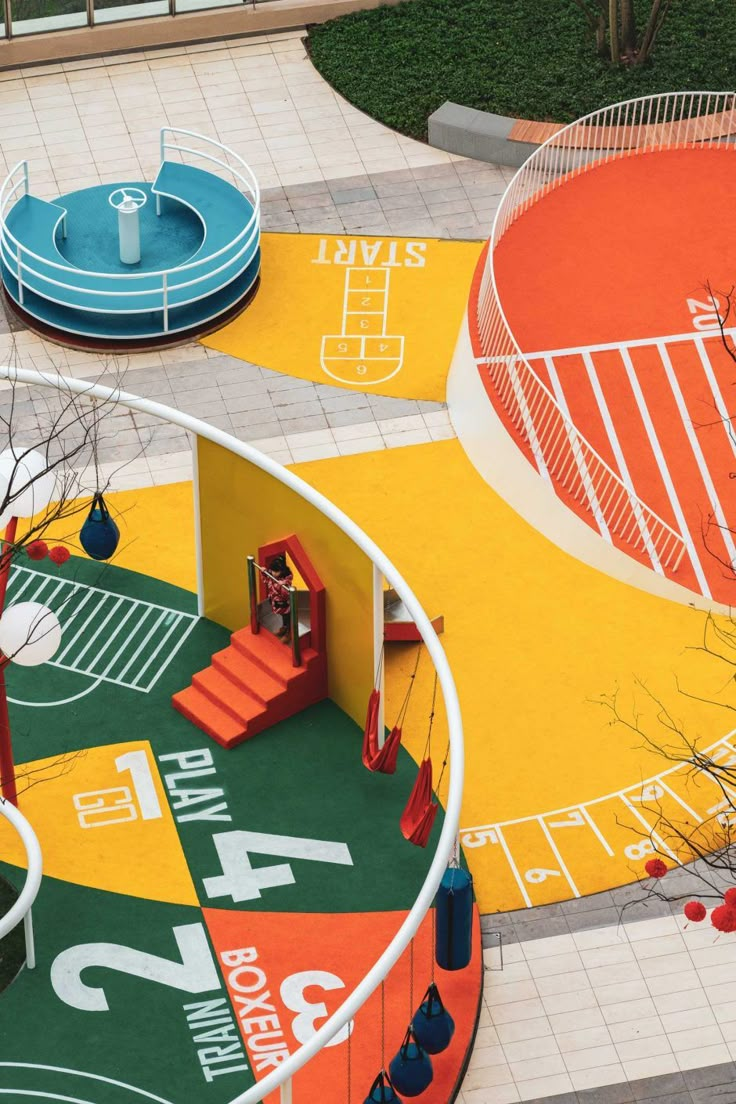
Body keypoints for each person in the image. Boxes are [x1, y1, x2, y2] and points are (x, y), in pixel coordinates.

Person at [265, 554, 294, 644]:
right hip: (276, 601)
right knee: (283, 616)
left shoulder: (285, 581)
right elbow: (265, 580)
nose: (274, 573)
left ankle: (289, 632)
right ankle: (284, 627)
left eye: (277, 571)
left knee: (287, 616)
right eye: (273, 571)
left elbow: (286, 594)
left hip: (284, 603)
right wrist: (264, 572)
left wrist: (282, 586)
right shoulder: (272, 576)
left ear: (282, 571)